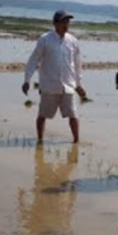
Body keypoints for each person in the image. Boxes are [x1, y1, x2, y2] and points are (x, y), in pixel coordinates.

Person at [21, 10, 87, 144]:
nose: (66, 24)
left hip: (68, 85)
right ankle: (40, 139)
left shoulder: (73, 41)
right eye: (63, 21)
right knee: (43, 115)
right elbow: (34, 60)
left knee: (73, 115)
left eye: (67, 21)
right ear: (55, 23)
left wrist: (78, 84)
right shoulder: (45, 39)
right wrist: (27, 80)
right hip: (49, 85)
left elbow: (77, 64)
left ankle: (76, 141)